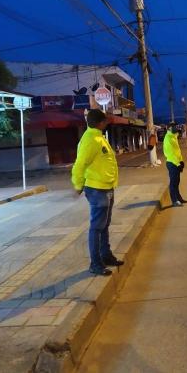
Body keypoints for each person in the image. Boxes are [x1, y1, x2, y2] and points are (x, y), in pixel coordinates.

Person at [72, 109, 124, 276]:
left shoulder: (98, 136)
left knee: (104, 225)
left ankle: (106, 256)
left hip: (106, 187)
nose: (107, 123)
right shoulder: (90, 140)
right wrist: (78, 185)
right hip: (97, 189)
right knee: (97, 227)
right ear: (100, 122)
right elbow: (80, 165)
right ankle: (95, 263)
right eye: (105, 121)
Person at [163, 123, 187, 207]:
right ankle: (174, 201)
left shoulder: (174, 137)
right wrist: (178, 164)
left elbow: (177, 151)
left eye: (176, 126)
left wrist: (181, 161)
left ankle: (179, 198)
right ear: (169, 128)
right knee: (173, 183)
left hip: (176, 163)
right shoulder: (168, 138)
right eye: (173, 127)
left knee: (177, 182)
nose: (175, 128)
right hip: (172, 163)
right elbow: (170, 154)